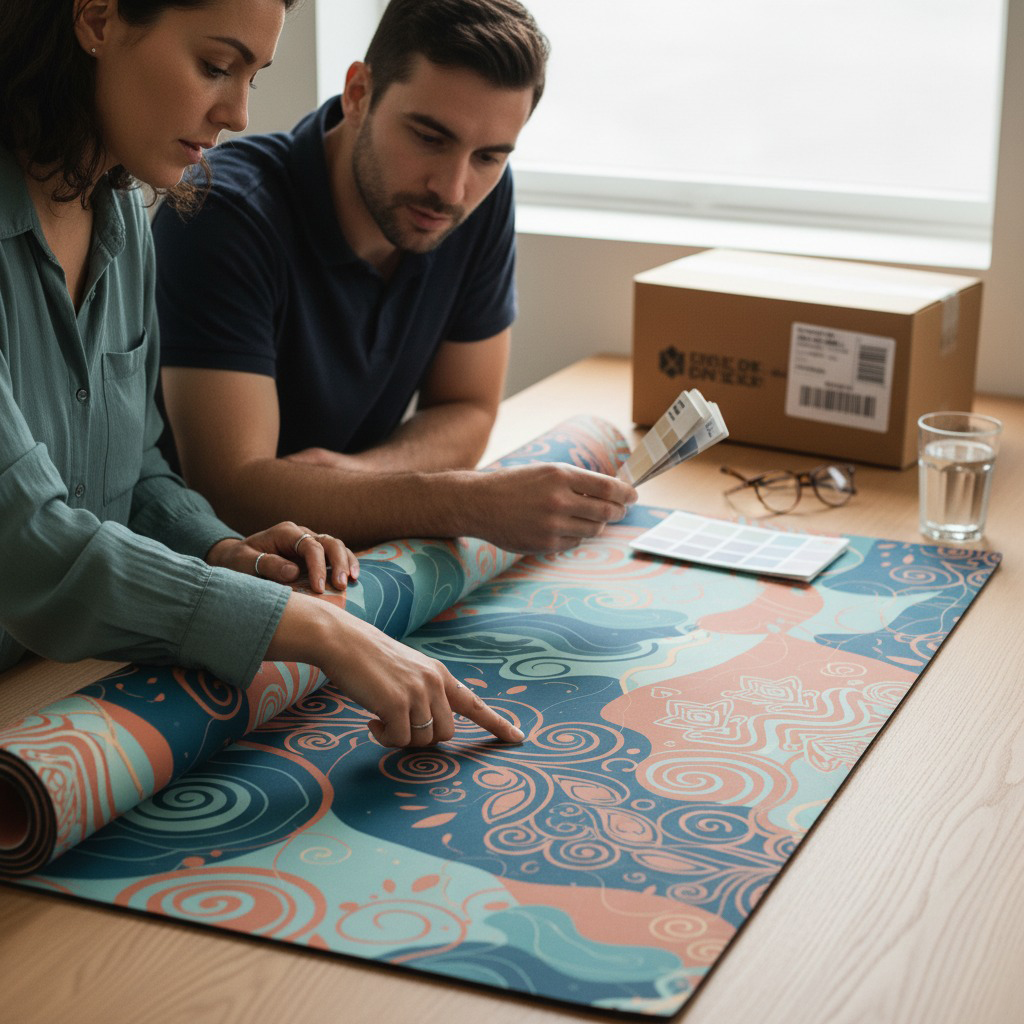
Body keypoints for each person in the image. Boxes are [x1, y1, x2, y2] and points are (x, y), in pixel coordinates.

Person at [0, 0, 523, 750]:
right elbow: (29, 547)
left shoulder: (120, 211)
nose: (238, 114)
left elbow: (134, 472)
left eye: (253, 76)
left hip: (50, 679)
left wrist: (223, 551)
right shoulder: (209, 207)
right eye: (215, 66)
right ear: (98, 18)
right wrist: (314, 628)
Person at [153, 0, 638, 555]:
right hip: (204, 567)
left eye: (488, 157)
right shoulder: (220, 213)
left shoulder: (477, 200)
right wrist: (470, 502)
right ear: (358, 93)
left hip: (350, 557)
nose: (451, 189)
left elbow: (468, 408)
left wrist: (359, 477)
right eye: (430, 138)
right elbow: (232, 492)